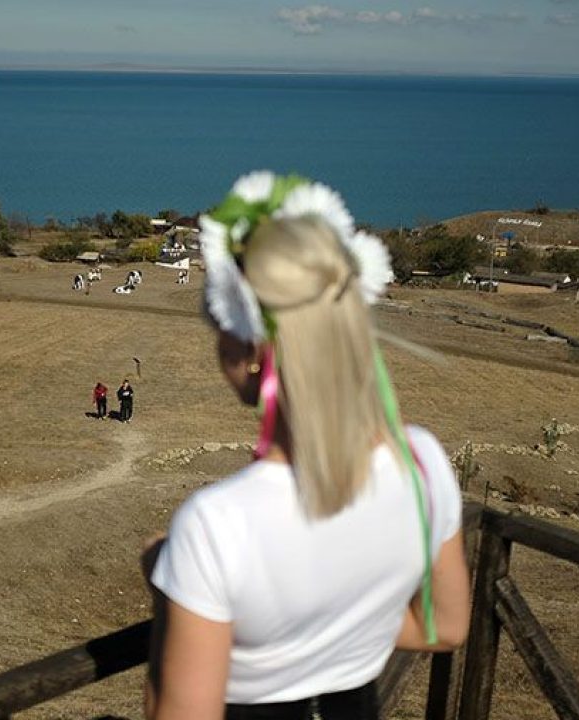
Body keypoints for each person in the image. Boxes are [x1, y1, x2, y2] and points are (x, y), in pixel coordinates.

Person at [143, 173, 470, 720]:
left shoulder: (215, 525)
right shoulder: (422, 462)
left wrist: (166, 580)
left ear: (250, 345)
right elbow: (446, 629)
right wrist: (346, 621)